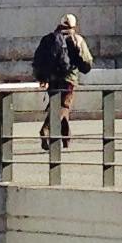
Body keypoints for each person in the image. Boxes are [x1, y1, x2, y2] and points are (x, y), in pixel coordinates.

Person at [31, 13, 93, 147]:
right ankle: (46, 129)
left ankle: (66, 138)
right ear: (74, 25)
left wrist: (42, 76)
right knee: (63, 106)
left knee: (57, 105)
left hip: (52, 78)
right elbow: (87, 62)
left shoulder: (50, 39)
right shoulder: (77, 39)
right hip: (69, 79)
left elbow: (40, 59)